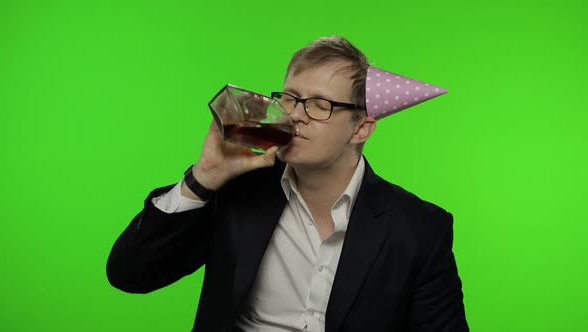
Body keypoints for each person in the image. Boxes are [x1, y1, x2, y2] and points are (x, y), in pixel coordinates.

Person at [106, 35, 469, 332]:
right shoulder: (239, 191)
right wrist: (203, 178)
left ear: (361, 129)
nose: (295, 115)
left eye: (319, 105)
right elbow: (129, 274)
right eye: (291, 98)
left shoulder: (419, 229)